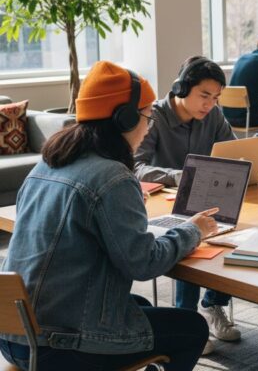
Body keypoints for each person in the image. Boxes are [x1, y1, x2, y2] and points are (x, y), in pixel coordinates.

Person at [0, 61, 215, 371]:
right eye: (146, 117)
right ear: (124, 118)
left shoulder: (44, 167)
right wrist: (192, 230)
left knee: (137, 307)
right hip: (61, 344)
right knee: (191, 328)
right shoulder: (113, 177)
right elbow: (144, 264)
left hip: (15, 334)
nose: (149, 126)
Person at [134, 56, 239, 354]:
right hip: (161, 202)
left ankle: (213, 305)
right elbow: (135, 166)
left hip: (208, 195)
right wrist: (182, 176)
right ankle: (188, 319)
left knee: (234, 229)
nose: (210, 104)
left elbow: (232, 151)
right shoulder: (154, 116)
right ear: (182, 88)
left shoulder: (214, 116)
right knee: (190, 235)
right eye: (204, 95)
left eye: (216, 97)